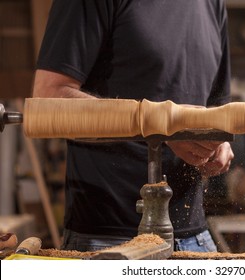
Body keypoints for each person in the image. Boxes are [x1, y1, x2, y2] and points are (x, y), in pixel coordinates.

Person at [32, 0, 234, 252]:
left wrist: (217, 142)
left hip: (194, 238)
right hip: (108, 239)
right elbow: (49, 98)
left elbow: (216, 108)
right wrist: (159, 123)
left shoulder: (212, 3)